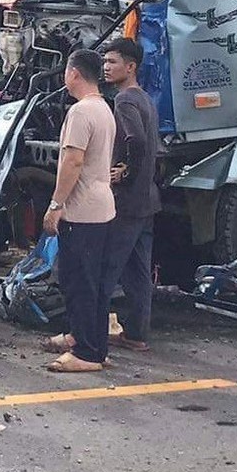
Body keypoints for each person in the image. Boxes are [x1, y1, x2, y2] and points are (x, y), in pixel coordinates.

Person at [44, 48, 118, 374]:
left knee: (79, 281)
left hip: (82, 209)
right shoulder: (104, 109)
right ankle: (92, 343)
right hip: (102, 205)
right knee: (95, 283)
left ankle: (87, 353)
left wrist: (55, 204)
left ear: (73, 74)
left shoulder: (80, 113)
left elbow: (72, 161)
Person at [102, 38, 161, 351]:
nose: (106, 68)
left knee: (108, 267)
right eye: (105, 62)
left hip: (126, 201)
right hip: (146, 200)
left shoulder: (124, 100)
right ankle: (137, 333)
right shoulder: (146, 99)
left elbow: (135, 140)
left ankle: (91, 335)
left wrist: (124, 171)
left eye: (112, 62)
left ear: (131, 66)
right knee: (138, 271)